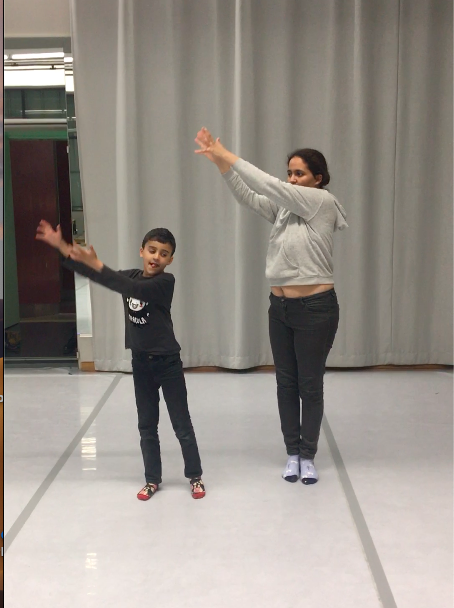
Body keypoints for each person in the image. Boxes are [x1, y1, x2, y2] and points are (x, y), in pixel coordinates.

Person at [194, 127, 347, 485]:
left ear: (318, 178)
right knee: (285, 383)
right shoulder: (286, 208)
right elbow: (250, 196)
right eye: (289, 172)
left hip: (315, 310)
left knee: (310, 385)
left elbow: (269, 185)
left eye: (300, 173)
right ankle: (292, 452)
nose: (292, 179)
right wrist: (221, 165)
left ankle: (308, 455)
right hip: (280, 309)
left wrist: (228, 154)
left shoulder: (321, 202)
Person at [36, 221, 205, 500]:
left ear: (170, 260)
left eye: (163, 254)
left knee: (181, 424)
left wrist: (98, 264)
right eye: (152, 250)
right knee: (146, 425)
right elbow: (102, 277)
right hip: (141, 363)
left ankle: (195, 476)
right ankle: (152, 479)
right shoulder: (131, 276)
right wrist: (63, 247)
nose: (156, 257)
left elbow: (129, 287)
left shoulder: (166, 282)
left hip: (168, 363)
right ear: (142, 251)